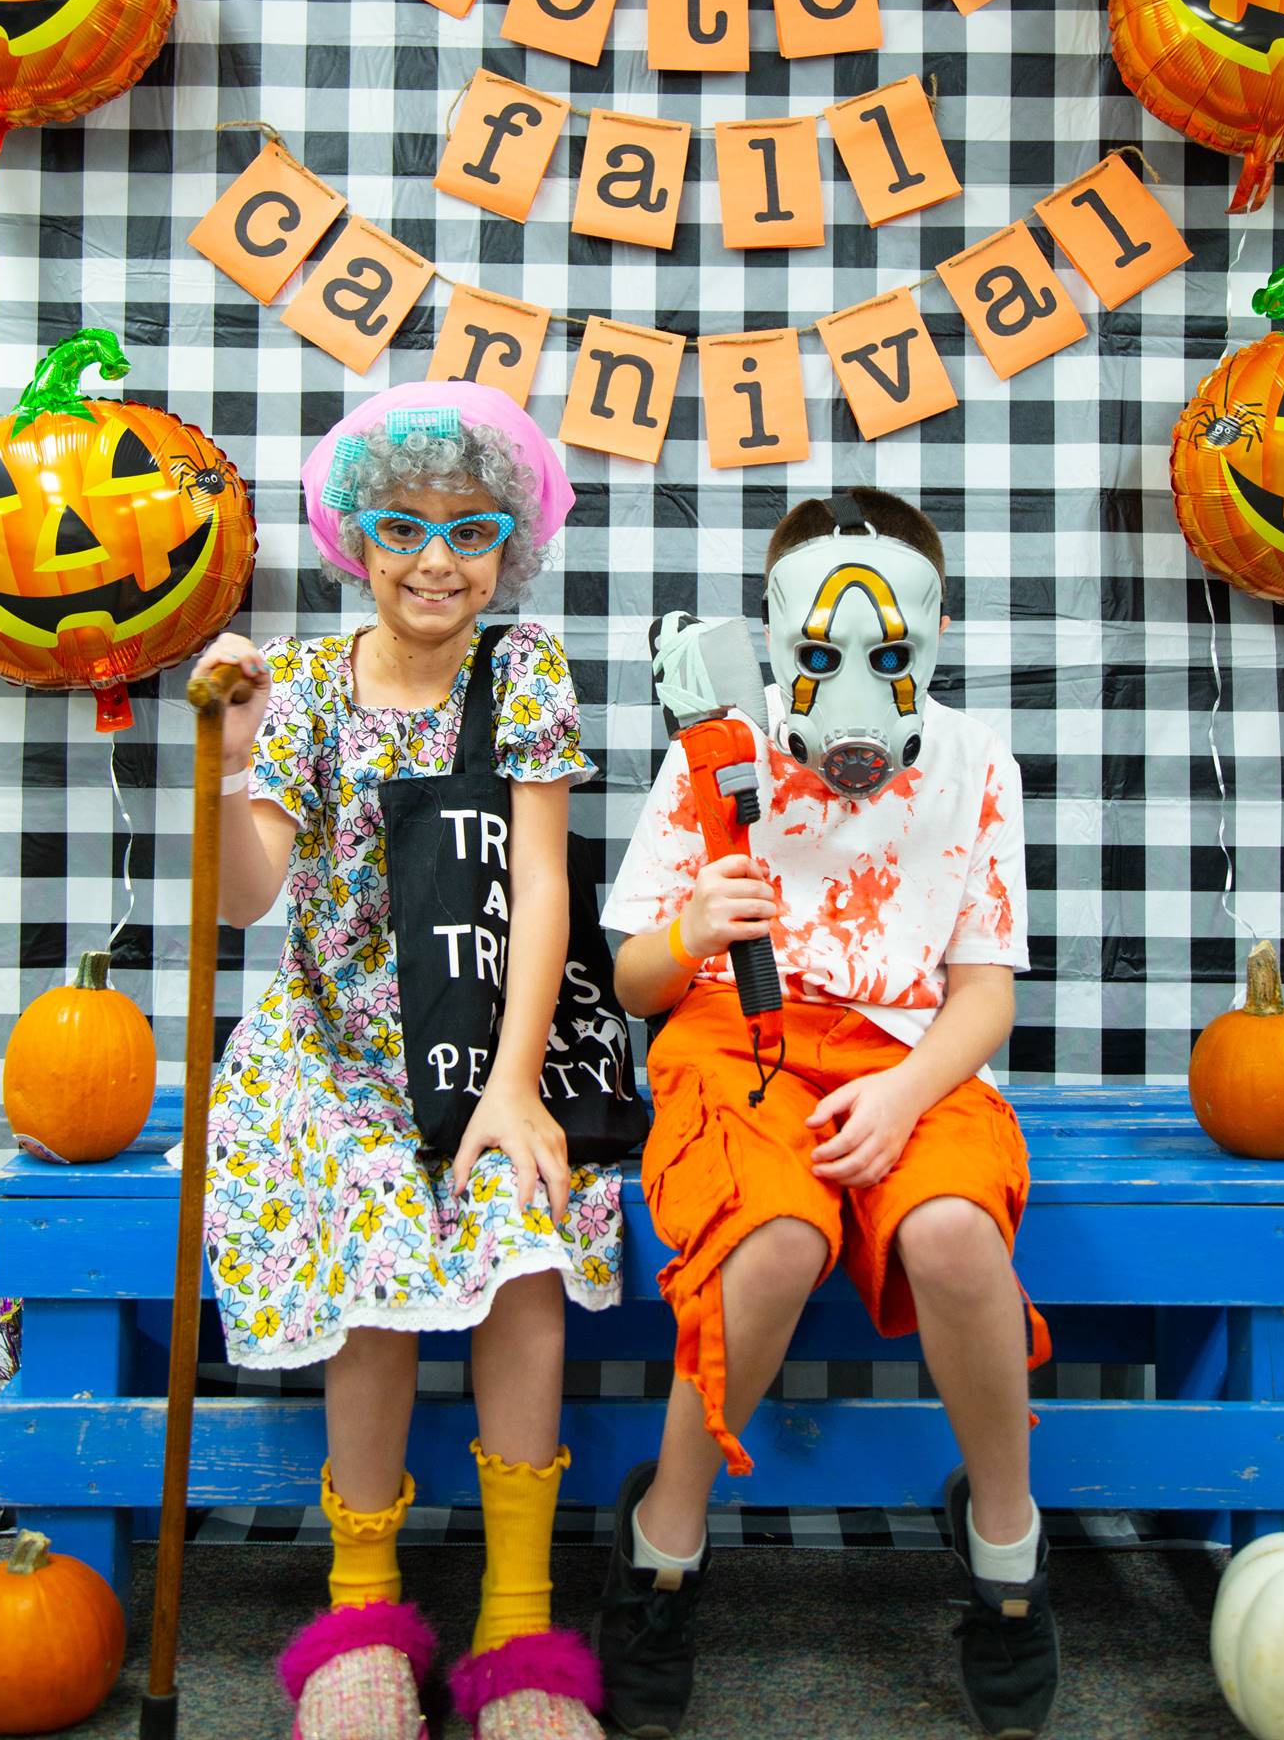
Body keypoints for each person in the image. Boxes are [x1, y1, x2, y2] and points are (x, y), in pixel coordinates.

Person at [595, 487, 1058, 1740]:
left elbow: (982, 992)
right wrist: (690, 930)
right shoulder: (714, 757)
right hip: (735, 1046)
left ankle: (1005, 1545)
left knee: (955, 1236)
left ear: (936, 630)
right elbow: (635, 979)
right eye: (815, 648)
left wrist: (909, 1095)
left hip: (911, 1051)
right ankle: (665, 1537)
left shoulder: (976, 764)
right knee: (780, 1241)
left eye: (890, 649)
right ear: (769, 630)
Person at [187, 382, 614, 1740]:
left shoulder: (523, 670)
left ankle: (519, 1626)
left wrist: (508, 1085)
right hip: (336, 1052)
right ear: (354, 539)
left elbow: (540, 887)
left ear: (512, 543)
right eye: (403, 530)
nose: (436, 559)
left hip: (488, 1040)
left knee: (523, 1246)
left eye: (471, 530)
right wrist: (232, 762)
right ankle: (361, 1611)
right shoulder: (309, 688)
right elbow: (248, 899)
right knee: (375, 1249)